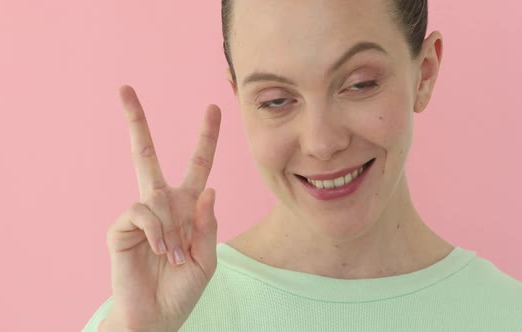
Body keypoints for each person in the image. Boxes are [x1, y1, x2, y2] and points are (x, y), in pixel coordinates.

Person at [84, 0, 522, 330]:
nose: (322, 142)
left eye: (359, 84)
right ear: (239, 97)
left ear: (423, 73)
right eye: (276, 100)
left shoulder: (506, 313)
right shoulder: (152, 313)